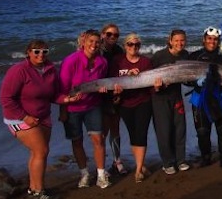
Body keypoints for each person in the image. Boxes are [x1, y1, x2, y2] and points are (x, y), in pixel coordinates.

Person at [0, 40, 79, 199]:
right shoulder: (19, 70)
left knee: (37, 153)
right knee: (41, 151)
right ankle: (39, 191)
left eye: (44, 51)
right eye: (36, 51)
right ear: (28, 53)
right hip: (19, 118)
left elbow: (54, 95)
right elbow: (6, 99)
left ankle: (33, 188)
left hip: (43, 117)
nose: (40, 55)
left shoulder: (50, 70)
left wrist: (68, 100)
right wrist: (25, 117)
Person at [59, 29, 112, 189]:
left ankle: (101, 175)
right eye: (91, 41)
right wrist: (63, 110)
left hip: (92, 105)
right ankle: (84, 174)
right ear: (83, 42)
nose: (94, 45)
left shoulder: (102, 62)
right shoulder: (70, 61)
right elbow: (63, 88)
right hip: (72, 107)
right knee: (77, 141)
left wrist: (104, 89)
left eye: (97, 42)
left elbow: (101, 83)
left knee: (98, 139)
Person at [188, 26, 222, 169]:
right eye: (209, 38)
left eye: (215, 39)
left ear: (219, 41)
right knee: (203, 132)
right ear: (204, 39)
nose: (212, 41)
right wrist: (194, 82)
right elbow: (184, 78)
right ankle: (206, 158)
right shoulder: (194, 56)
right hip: (200, 99)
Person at [109, 33, 153, 183]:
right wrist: (115, 91)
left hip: (143, 102)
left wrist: (158, 86)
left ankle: (139, 170)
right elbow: (112, 81)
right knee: (133, 134)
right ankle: (142, 165)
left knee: (141, 134)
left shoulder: (146, 62)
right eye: (130, 44)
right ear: (125, 45)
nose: (133, 47)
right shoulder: (117, 61)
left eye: (137, 45)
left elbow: (151, 85)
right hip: (125, 103)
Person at [151, 29, 190, 175]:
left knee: (180, 129)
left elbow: (188, 76)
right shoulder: (159, 56)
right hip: (159, 98)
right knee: (164, 131)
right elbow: (148, 78)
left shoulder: (185, 55)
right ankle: (167, 162)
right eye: (177, 40)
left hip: (176, 95)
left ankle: (180, 160)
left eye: (182, 40)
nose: (180, 43)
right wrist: (156, 87)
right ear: (170, 41)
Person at [99, 23, 128, 175]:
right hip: (99, 93)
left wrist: (118, 93)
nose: (112, 37)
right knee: (102, 130)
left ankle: (117, 160)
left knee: (115, 127)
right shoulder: (97, 50)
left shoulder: (118, 50)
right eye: (109, 34)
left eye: (115, 35)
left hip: (115, 91)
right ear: (102, 34)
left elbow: (121, 71)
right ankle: (101, 166)